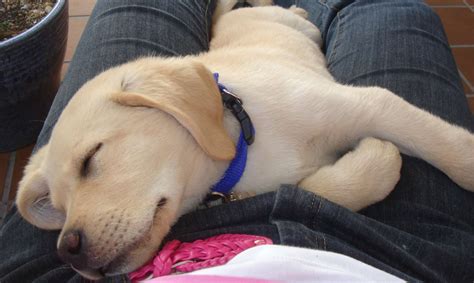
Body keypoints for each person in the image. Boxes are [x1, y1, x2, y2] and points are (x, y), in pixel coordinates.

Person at [1, 0, 473, 282]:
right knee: (382, 9)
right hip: (398, 257)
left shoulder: (253, 102)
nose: (69, 240)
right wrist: (339, 190)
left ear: (169, 102)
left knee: (289, 21)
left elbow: (377, 108)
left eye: (89, 164)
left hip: (267, 40)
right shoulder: (181, 188)